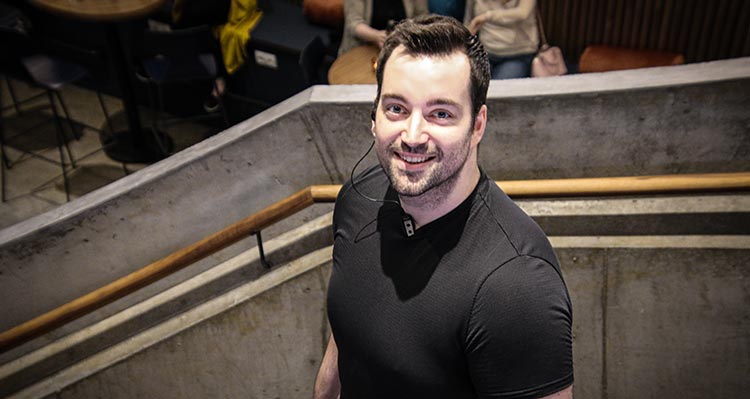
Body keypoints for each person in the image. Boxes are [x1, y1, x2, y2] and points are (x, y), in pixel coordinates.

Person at [314, 14, 573, 399]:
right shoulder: (356, 197)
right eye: (396, 109)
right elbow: (346, 334)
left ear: (478, 125)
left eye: (441, 114)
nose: (413, 136)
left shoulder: (517, 287)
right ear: (374, 116)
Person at [464, 0, 538, 79]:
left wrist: (487, 16)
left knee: (498, 88)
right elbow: (468, 22)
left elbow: (523, 13)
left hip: (517, 54)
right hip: (484, 53)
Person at [338, 0, 428, 55]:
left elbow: (421, 17)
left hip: (403, 48)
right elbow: (353, 24)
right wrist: (376, 36)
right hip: (362, 49)